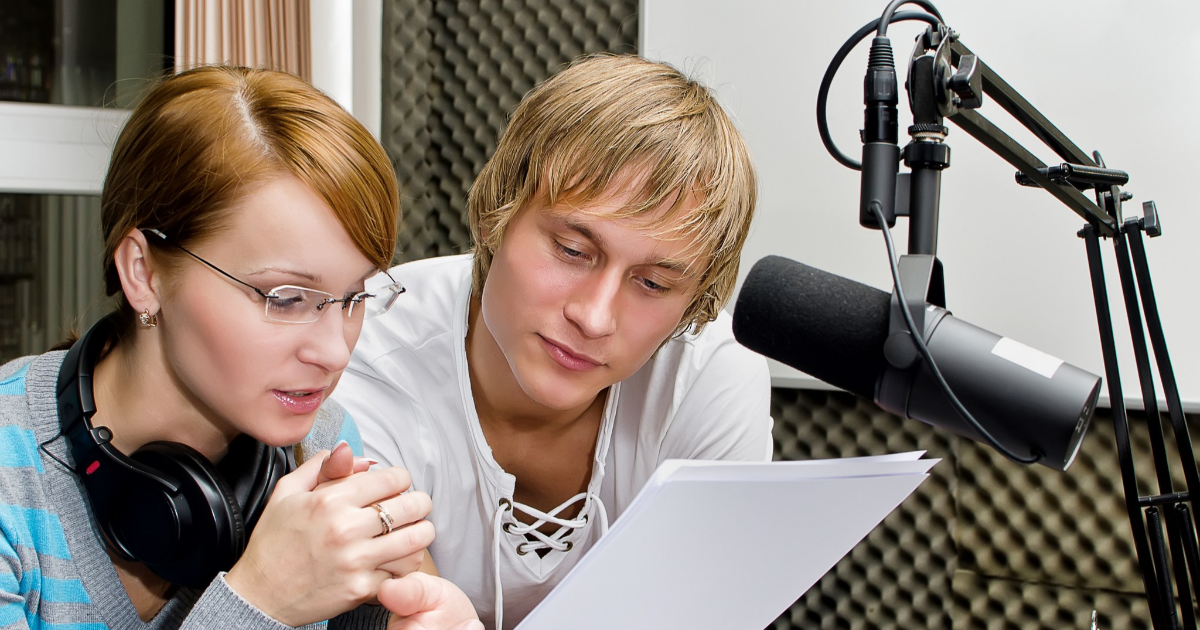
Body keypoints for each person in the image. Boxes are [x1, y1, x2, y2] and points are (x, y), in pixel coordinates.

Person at [0, 66, 480, 630]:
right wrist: (261, 602)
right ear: (143, 274)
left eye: (355, 297)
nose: (334, 352)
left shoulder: (322, 449)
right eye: (285, 297)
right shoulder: (12, 479)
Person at [334, 54, 772, 629]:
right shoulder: (360, 350)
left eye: (654, 284)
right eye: (571, 250)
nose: (594, 317)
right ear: (497, 214)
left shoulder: (708, 374)